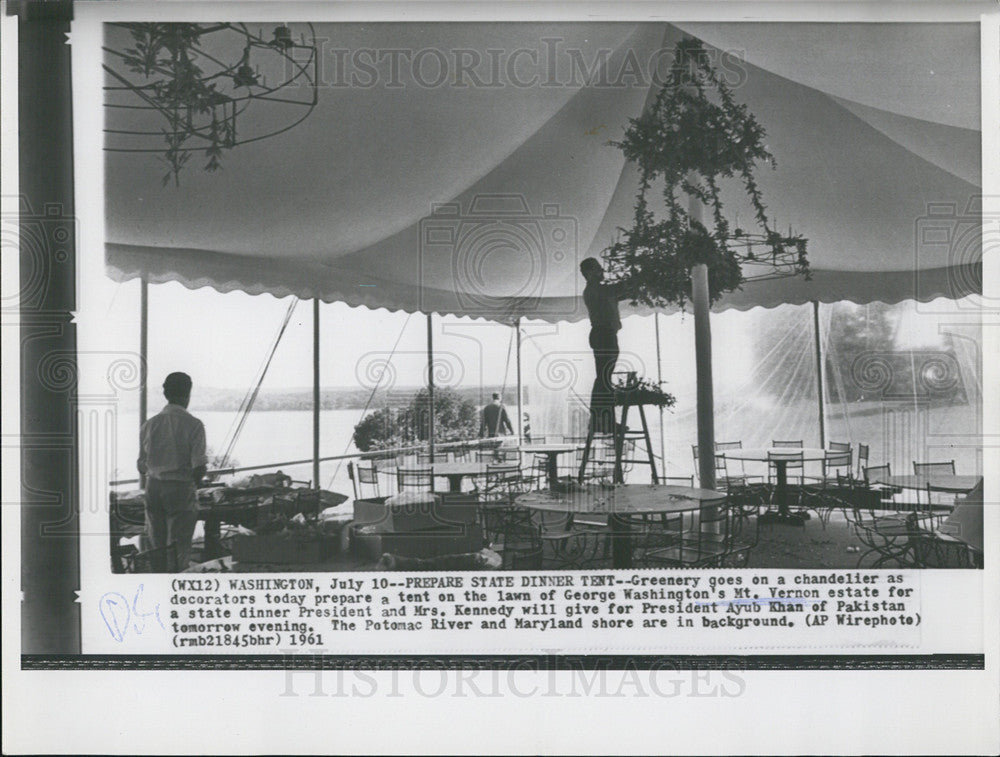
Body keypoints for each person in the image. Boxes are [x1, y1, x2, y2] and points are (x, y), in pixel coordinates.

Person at [137, 372, 208, 571]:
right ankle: (175, 587)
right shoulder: (194, 425)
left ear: (166, 393)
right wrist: (197, 483)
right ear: (188, 393)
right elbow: (199, 467)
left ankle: (158, 586)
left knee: (156, 545)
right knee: (179, 546)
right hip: (179, 488)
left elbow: (141, 466)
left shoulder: (149, 425)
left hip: (153, 488)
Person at [580, 257, 622, 434]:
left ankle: (602, 419)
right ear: (589, 273)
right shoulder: (595, 289)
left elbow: (617, 291)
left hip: (605, 334)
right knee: (604, 378)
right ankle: (602, 420)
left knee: (604, 378)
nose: (602, 271)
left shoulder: (597, 289)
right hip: (603, 334)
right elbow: (617, 290)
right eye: (598, 269)